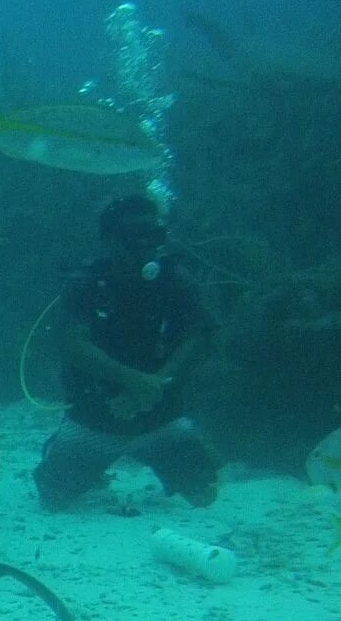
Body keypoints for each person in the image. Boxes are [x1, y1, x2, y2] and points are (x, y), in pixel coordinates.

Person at [33, 194, 220, 509]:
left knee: (204, 494)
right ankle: (70, 452)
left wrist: (151, 388)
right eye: (133, 236)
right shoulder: (85, 284)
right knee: (54, 498)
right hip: (95, 418)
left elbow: (201, 337)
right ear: (109, 240)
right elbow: (72, 344)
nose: (145, 245)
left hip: (161, 417)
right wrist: (135, 381)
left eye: (153, 235)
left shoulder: (175, 279)